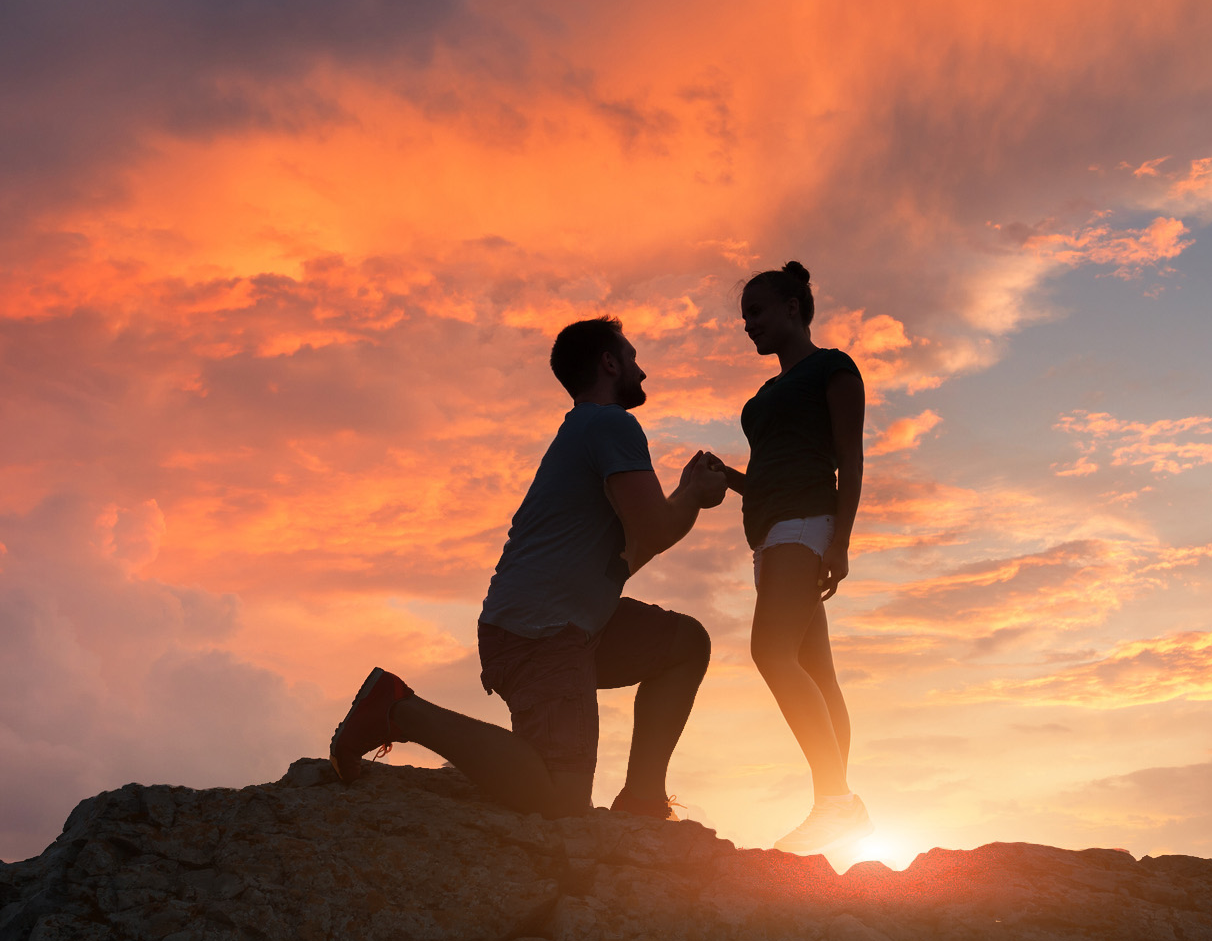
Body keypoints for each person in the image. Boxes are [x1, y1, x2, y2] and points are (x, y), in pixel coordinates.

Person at [327, 316, 730, 819]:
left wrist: (684, 496)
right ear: (609, 362)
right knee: (560, 801)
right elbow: (653, 532)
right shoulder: (610, 423)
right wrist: (693, 498)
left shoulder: (589, 431)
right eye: (632, 357)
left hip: (569, 626)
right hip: (540, 633)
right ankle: (396, 709)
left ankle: (643, 799)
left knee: (684, 644)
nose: (641, 370)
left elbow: (627, 555)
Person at [713, 262, 872, 855]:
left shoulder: (833, 368)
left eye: (755, 312)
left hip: (807, 527)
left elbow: (849, 461)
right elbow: (765, 479)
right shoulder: (762, 399)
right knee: (819, 675)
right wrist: (725, 476)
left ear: (790, 306)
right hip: (770, 533)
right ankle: (838, 806)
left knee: (769, 652)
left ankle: (836, 804)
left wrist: (841, 541)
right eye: (744, 317)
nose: (748, 325)